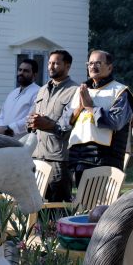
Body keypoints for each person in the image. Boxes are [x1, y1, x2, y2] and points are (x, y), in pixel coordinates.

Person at [63, 50, 133, 184]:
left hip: (104, 158)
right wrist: (80, 107)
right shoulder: (82, 90)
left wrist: (90, 107)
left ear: (110, 67)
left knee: (99, 197)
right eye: (90, 63)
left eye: (98, 63)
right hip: (78, 157)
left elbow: (116, 122)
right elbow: (64, 123)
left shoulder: (120, 91)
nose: (93, 67)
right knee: (83, 197)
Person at [27, 50, 78, 202]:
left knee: (57, 206)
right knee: (37, 205)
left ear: (67, 66)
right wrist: (32, 122)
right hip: (37, 155)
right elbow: (32, 117)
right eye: (49, 63)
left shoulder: (75, 91)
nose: (51, 66)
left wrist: (46, 124)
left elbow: (67, 127)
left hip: (58, 160)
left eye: (56, 63)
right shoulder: (42, 90)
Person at [0, 57, 39, 137]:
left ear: (34, 75)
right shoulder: (13, 93)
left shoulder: (38, 92)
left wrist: (9, 129)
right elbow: (2, 114)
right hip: (2, 137)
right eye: (20, 70)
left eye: (26, 71)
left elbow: (31, 119)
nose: (21, 73)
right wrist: (0, 128)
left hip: (21, 141)